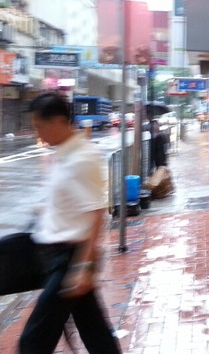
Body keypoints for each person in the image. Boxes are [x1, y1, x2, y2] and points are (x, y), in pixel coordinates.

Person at [20, 92, 121, 354]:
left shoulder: (82, 157)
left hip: (70, 259)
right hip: (60, 256)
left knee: (33, 341)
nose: (38, 134)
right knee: (94, 331)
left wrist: (84, 266)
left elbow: (97, 213)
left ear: (57, 121)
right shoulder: (64, 153)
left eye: (39, 126)